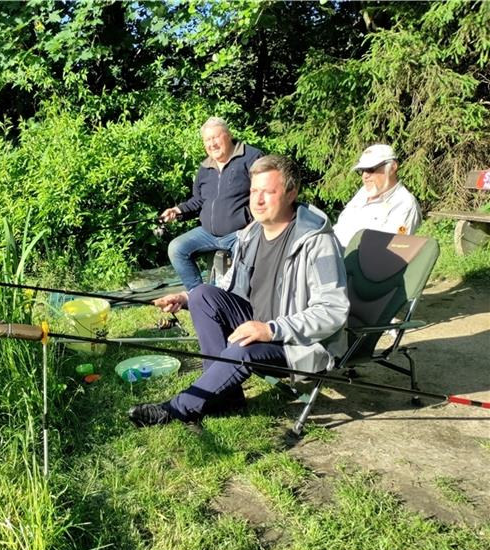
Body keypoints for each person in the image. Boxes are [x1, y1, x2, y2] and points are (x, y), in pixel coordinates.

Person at [129, 155, 350, 427]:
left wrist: (270, 330)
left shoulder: (318, 242)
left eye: (268, 192)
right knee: (201, 295)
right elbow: (228, 285)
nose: (257, 200)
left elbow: (333, 311)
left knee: (240, 349)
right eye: (253, 191)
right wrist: (185, 298)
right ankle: (227, 395)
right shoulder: (251, 233)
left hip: (294, 341)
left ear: (291, 193)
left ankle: (175, 409)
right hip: (255, 322)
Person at [160, 117, 263, 291]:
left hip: (240, 233)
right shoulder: (205, 167)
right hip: (208, 234)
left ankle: (233, 301)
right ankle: (198, 295)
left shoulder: (252, 157)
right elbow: (198, 200)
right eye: (207, 140)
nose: (212, 144)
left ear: (228, 135)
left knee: (241, 267)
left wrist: (254, 225)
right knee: (176, 248)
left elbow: (264, 193)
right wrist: (176, 210)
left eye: (216, 137)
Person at [332, 144, 422, 248]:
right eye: (362, 171)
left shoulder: (405, 204)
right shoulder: (363, 192)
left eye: (371, 169)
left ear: (392, 167)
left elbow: (392, 251)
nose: (365, 176)